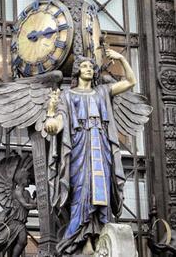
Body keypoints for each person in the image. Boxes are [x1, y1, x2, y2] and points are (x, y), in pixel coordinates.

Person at [44, 50, 137, 255]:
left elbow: (131, 81)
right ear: (77, 71)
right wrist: (51, 115)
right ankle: (79, 238)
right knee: (81, 190)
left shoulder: (102, 92)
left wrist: (121, 59)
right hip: (79, 148)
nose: (89, 69)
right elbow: (58, 122)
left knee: (100, 189)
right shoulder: (67, 95)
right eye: (85, 66)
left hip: (101, 147)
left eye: (91, 66)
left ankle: (98, 237)